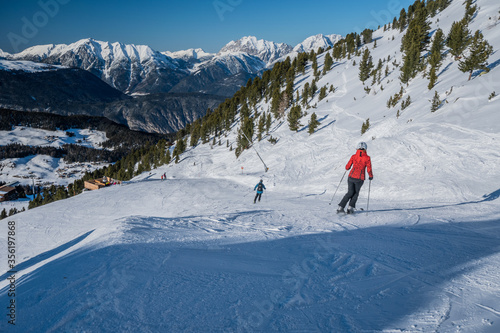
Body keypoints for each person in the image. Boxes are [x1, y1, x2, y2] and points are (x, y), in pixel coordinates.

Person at [337, 142, 373, 214]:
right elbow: (369, 168)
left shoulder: (353, 156)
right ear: (365, 149)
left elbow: (347, 167)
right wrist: (370, 176)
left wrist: (348, 168)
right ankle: (350, 208)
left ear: (357, 148)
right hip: (359, 178)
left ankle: (340, 207)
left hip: (351, 177)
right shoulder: (367, 158)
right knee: (356, 193)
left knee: (350, 192)